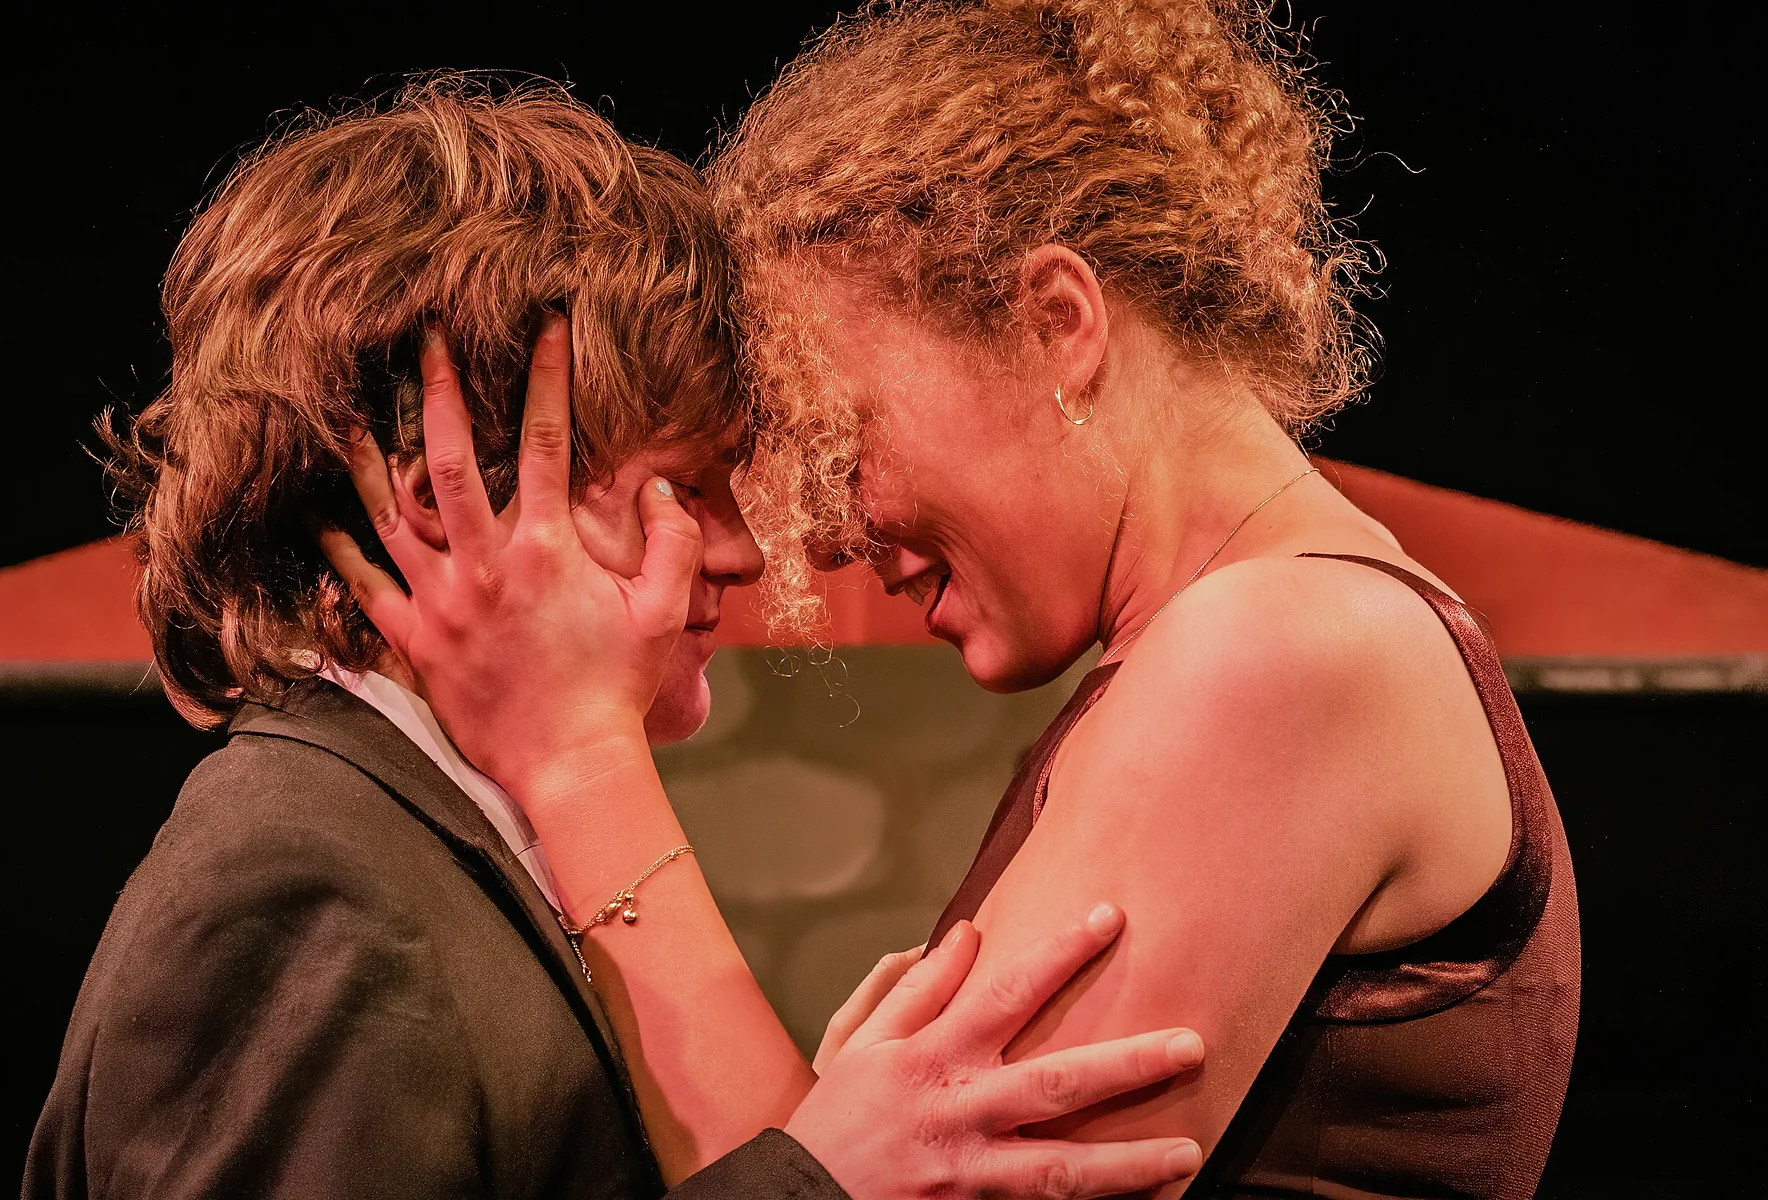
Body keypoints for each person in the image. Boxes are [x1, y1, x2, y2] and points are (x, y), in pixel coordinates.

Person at [329, 4, 1581, 1198]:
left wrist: (577, 756)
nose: (825, 530)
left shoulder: (1273, 655)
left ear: (1056, 325)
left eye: (844, 432)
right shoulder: (1238, 648)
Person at [23, 82, 1211, 1200]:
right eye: (682, 489)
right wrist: (815, 1178)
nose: (741, 555)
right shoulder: (298, 885)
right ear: (446, 500)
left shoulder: (421, 843)